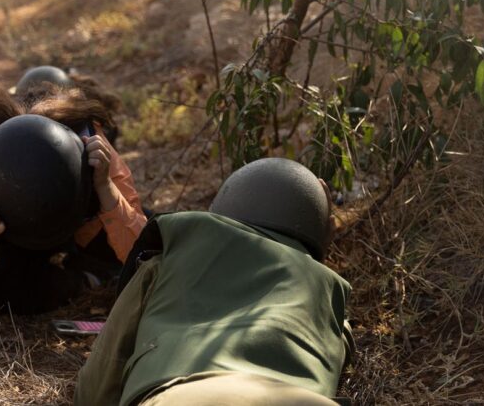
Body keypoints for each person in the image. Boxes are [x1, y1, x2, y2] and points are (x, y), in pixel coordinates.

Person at [75, 158, 354, 406]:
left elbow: (95, 392)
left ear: (222, 210)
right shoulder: (329, 302)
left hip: (185, 396)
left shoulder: (168, 263)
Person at [0, 78, 146, 315]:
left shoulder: (90, 145)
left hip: (85, 222)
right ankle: (83, 279)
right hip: (11, 237)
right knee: (12, 294)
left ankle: (91, 265)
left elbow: (145, 255)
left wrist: (105, 187)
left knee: (163, 241)